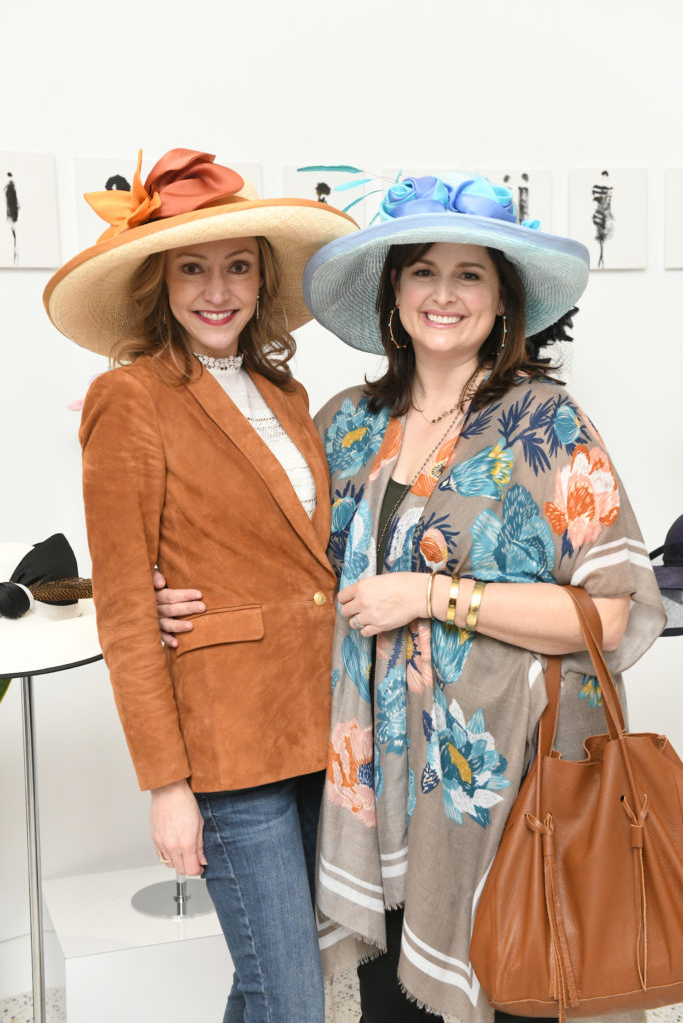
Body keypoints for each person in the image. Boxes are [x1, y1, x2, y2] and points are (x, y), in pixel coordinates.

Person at [157, 172, 666, 1023]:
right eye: (423, 270)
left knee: (520, 990)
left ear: (502, 300)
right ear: (392, 292)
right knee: (399, 1004)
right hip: (378, 784)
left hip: (512, 787)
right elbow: (286, 572)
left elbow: (608, 613)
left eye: (470, 274)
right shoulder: (344, 424)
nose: (443, 293)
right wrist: (180, 596)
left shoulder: (545, 424)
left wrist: (430, 595)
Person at [43, 147, 358, 1023]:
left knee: (266, 977)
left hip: (315, 726)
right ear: (159, 282)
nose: (216, 290)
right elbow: (122, 608)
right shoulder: (129, 397)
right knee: (291, 998)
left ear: (261, 279)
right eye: (191, 268)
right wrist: (166, 785)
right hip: (226, 745)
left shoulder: (286, 392)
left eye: (235, 267)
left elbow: (301, 560)